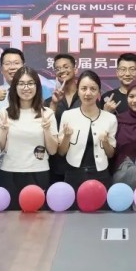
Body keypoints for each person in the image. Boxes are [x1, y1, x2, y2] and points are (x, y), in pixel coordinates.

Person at [0, 67, 58, 208]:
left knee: (38, 218)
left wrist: (46, 130)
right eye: (21, 84)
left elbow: (53, 150)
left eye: (30, 83)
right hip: (10, 172)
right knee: (11, 217)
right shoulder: (4, 113)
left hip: (39, 172)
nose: (26, 88)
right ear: (15, 87)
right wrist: (4, 131)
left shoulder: (47, 113)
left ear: (37, 86)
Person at [58, 70, 117, 190]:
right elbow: (61, 152)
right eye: (83, 88)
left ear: (99, 92)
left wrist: (105, 141)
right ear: (78, 90)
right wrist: (67, 137)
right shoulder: (68, 115)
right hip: (73, 173)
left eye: (93, 89)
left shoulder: (110, 118)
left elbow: (110, 154)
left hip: (100, 174)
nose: (88, 93)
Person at [45, 54, 80, 182]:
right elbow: (46, 128)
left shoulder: (87, 99)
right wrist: (54, 104)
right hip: (56, 164)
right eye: (58, 68)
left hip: (82, 162)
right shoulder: (49, 102)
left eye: (66, 67)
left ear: (75, 70)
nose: (62, 71)